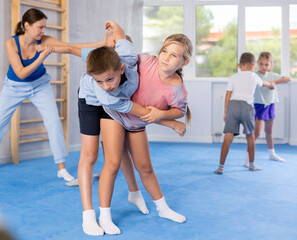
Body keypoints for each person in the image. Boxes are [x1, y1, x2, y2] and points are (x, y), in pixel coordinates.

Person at [93, 31, 192, 235]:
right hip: (114, 112)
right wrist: (117, 36)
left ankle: (163, 208)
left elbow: (179, 111)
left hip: (136, 121)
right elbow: (120, 61)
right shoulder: (146, 61)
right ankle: (104, 216)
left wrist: (162, 115)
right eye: (164, 51)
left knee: (145, 167)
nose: (165, 57)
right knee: (112, 163)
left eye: (173, 55)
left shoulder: (178, 90)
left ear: (185, 62)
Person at [0, 8, 74, 182]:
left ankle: (61, 168)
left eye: (44, 27)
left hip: (40, 86)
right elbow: (21, 73)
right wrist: (42, 56)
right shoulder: (11, 43)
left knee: (54, 121)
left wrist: (101, 44)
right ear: (27, 25)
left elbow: (70, 48)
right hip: (14, 87)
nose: (43, 31)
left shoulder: (44, 40)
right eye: (40, 27)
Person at [214, 52, 273, 175]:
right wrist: (271, 84)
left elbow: (228, 95)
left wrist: (225, 112)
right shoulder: (254, 76)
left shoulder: (233, 77)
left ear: (239, 65)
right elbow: (264, 84)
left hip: (233, 106)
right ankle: (251, 164)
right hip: (247, 107)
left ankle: (220, 167)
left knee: (228, 137)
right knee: (250, 136)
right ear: (253, 65)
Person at [243, 52, 291, 167]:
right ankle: (247, 158)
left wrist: (274, 82)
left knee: (269, 132)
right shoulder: (254, 75)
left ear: (270, 65)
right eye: (261, 64)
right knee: (257, 133)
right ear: (258, 63)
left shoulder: (272, 75)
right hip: (258, 105)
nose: (264, 67)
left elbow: (288, 78)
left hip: (270, 105)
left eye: (266, 65)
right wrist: (268, 84)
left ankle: (272, 153)